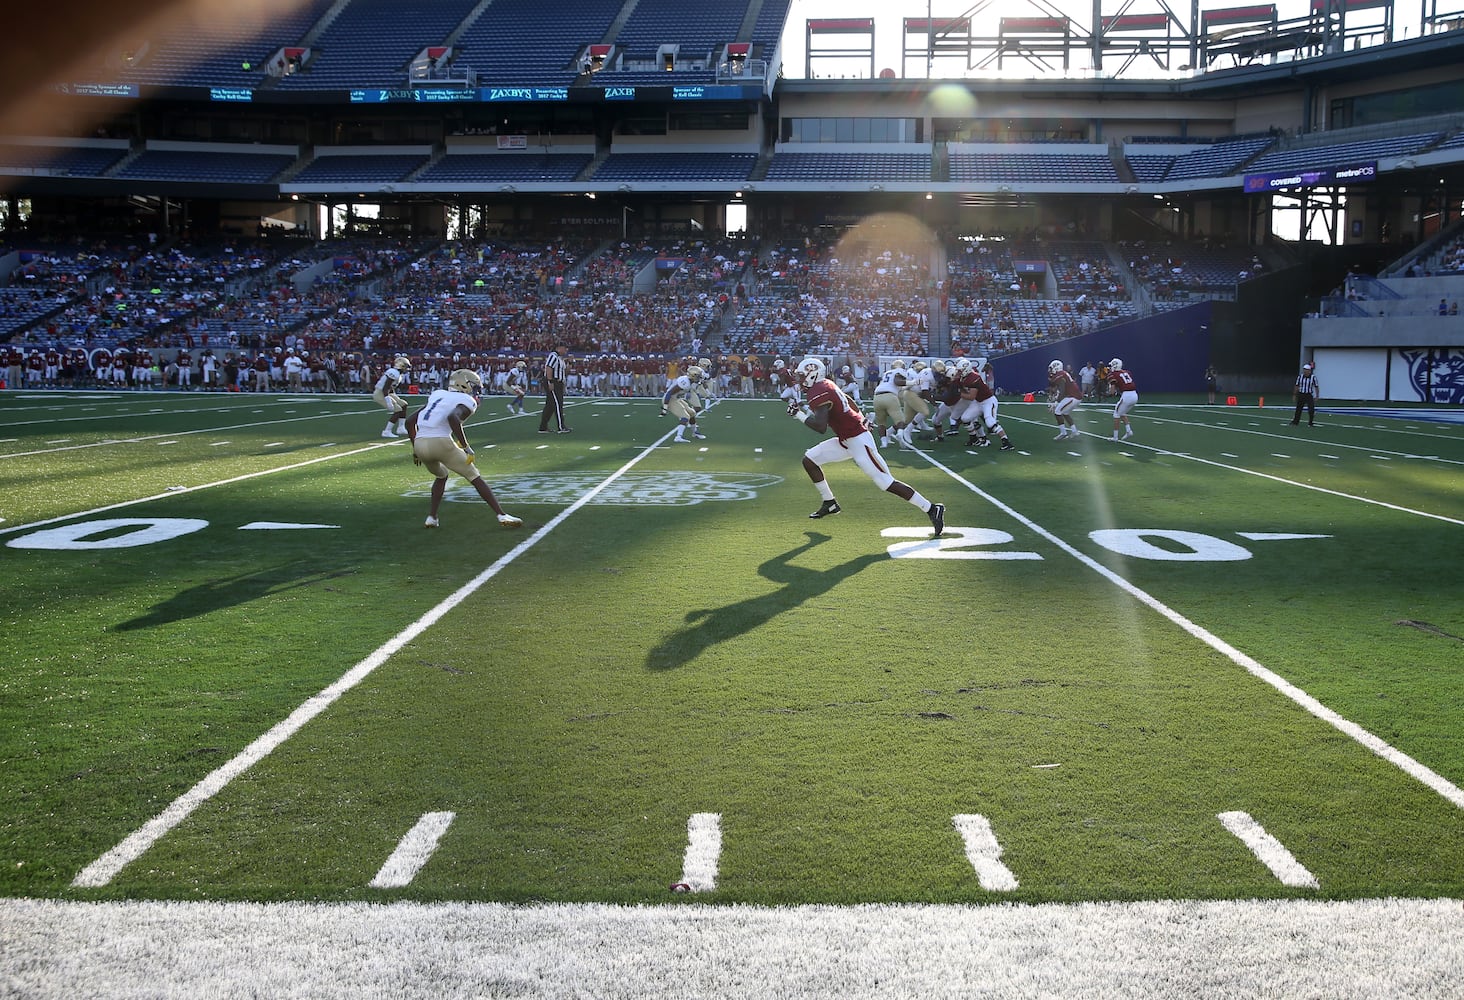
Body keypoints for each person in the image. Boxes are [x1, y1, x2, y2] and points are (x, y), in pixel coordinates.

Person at [787, 356, 945, 536]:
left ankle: (932, 508)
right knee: (809, 460)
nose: (799, 379)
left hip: (858, 440)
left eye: (801, 375)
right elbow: (847, 398)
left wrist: (797, 415)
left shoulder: (818, 391)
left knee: (885, 482)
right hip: (846, 439)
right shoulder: (825, 385)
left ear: (812, 374)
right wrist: (861, 417)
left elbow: (820, 427)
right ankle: (829, 502)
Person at [409, 368, 522, 530]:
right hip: (440, 442)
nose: (475, 391)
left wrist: (415, 450)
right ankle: (501, 514)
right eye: (474, 387)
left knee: (441, 475)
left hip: (420, 443)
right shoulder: (465, 400)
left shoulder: (437, 395)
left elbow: (410, 422)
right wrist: (465, 446)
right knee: (473, 475)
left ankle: (432, 517)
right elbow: (453, 418)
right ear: (464, 385)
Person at [661, 364, 708, 443]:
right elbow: (669, 393)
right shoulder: (684, 382)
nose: (699, 378)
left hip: (676, 399)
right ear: (693, 376)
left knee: (692, 413)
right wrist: (665, 408)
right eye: (698, 376)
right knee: (685, 416)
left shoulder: (690, 381)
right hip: (670, 400)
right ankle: (678, 437)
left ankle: (694, 433)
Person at [373, 355, 412, 438]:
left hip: (387, 392)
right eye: (406, 367)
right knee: (397, 410)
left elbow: (390, 387)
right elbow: (385, 387)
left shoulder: (398, 374)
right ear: (401, 366)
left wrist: (395, 397)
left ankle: (401, 428)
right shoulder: (394, 373)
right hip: (380, 393)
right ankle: (386, 431)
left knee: (403, 404)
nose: (407, 369)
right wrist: (388, 401)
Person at [538, 344, 570, 434]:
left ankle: (543, 427)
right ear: (558, 348)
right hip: (553, 381)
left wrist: (570, 363)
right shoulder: (553, 356)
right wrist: (550, 381)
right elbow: (549, 368)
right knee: (558, 404)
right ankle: (561, 427)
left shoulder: (560, 358)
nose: (566, 350)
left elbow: (565, 372)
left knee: (550, 406)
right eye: (564, 348)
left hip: (559, 382)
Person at [1047, 360, 1083, 439]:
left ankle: (1063, 433)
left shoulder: (1060, 375)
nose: (1050, 370)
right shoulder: (1062, 374)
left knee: (1057, 412)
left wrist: (1056, 402)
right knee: (1065, 413)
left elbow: (1062, 390)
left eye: (1051, 368)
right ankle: (1074, 432)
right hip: (1073, 396)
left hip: (1073, 396)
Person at [1106, 357, 1139, 441]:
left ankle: (1115, 437)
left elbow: (1112, 391)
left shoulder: (1113, 375)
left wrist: (1108, 393)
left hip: (1127, 395)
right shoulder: (1127, 372)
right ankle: (1128, 431)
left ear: (1115, 365)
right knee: (1122, 412)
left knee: (1116, 414)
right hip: (1134, 395)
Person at [1291, 362, 1319, 426]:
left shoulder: (1313, 377)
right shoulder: (1300, 377)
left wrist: (1317, 395)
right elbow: (1297, 385)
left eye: (1306, 370)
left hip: (1308, 395)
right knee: (1298, 409)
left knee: (1311, 409)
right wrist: (1294, 394)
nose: (1305, 371)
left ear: (1309, 371)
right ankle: (1295, 422)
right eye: (1304, 370)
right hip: (1301, 394)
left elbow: (1316, 386)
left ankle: (1310, 422)